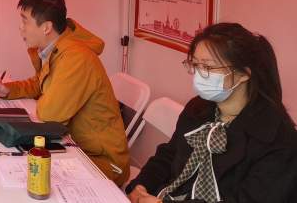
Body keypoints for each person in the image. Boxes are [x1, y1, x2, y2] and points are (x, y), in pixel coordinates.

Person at [127, 23, 297, 203]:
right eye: (195, 64)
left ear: (244, 74)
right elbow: (170, 155)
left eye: (208, 67)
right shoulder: (198, 108)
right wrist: (141, 186)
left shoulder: (279, 140)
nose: (198, 74)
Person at [0, 0, 129, 185]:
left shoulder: (76, 58)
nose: (21, 28)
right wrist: (10, 90)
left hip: (101, 160)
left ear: (46, 27)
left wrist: (46, 97)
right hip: (73, 145)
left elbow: (50, 115)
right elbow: (40, 83)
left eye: (25, 21)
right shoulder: (57, 48)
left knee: (30, 176)